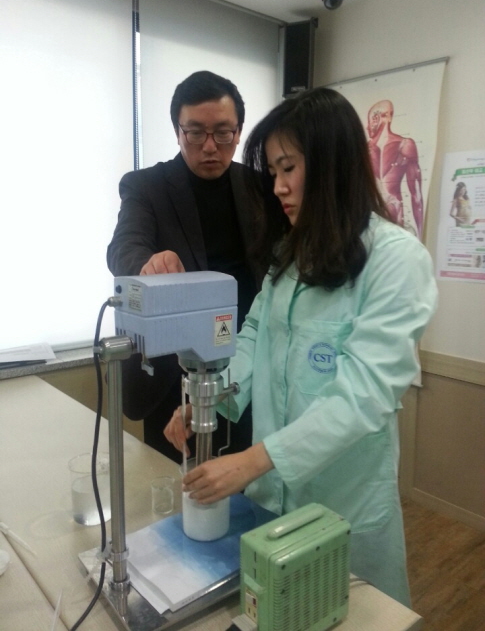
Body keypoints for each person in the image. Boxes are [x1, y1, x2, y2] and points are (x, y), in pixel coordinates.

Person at [165, 87, 438, 606]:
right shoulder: (288, 258)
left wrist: (253, 461)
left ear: (334, 165)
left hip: (345, 507)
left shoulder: (396, 261)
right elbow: (253, 339)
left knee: (353, 613)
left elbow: (363, 394)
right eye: (273, 172)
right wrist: (209, 398)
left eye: (288, 168)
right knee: (278, 610)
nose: (279, 187)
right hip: (273, 503)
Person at [107, 71, 262, 462]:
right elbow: (123, 247)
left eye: (222, 133)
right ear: (178, 131)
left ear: (238, 132)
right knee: (171, 482)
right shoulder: (147, 186)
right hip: (172, 374)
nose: (209, 146)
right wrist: (148, 263)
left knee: (241, 477)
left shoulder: (260, 187)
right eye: (195, 133)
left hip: (244, 365)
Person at [366, 99, 424, 238]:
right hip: (370, 222)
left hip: (393, 217)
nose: (367, 127)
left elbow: (416, 194)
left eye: (371, 120)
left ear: (381, 117)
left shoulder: (404, 145)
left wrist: (419, 237)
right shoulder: (364, 150)